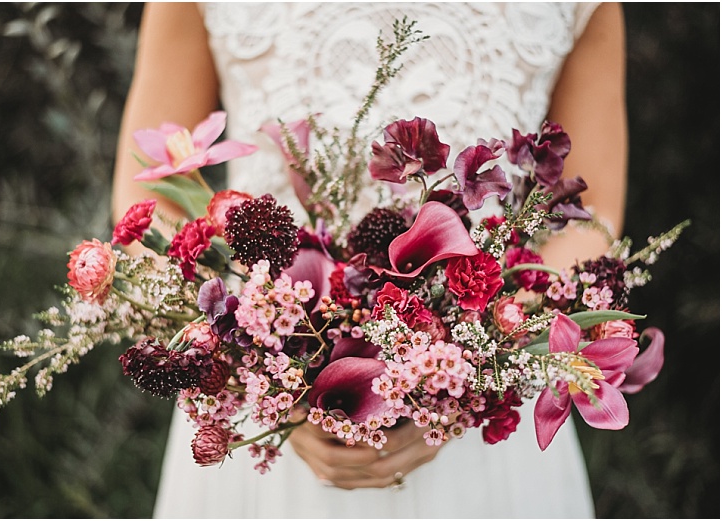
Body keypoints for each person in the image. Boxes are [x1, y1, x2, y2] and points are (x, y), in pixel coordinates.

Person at [112, 3, 627, 518]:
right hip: (264, 405)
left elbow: (590, 209)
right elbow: (153, 198)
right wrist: (270, 374)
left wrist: (463, 384)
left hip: (479, 423)